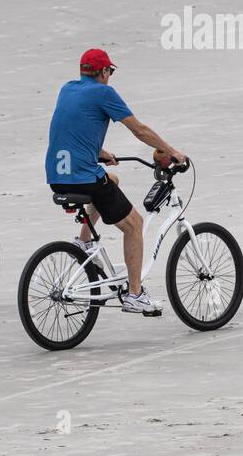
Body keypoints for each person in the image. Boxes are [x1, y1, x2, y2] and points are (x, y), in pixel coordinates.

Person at [45, 48, 185, 314]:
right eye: (110, 71)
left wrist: (99, 154)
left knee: (112, 179)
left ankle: (84, 242)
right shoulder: (104, 92)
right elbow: (139, 129)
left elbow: (70, 129)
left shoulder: (67, 89)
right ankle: (135, 294)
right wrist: (173, 152)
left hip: (57, 176)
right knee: (134, 225)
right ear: (104, 72)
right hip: (83, 178)